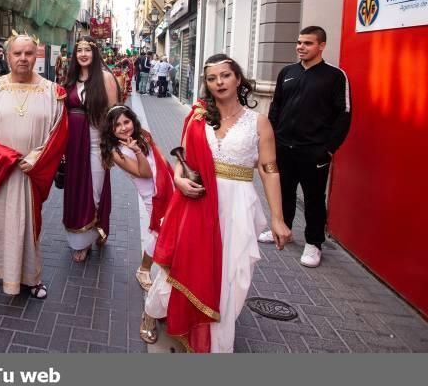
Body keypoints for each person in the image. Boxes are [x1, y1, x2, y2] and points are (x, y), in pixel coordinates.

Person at [144, 54, 291, 352]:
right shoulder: (198, 117)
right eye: (212, 79)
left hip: (237, 206)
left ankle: (214, 340)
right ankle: (152, 313)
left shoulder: (258, 123)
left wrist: (278, 217)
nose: (219, 82)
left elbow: (269, 169)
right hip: (197, 203)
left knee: (231, 274)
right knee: (183, 266)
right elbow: (182, 159)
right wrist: (180, 180)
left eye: (225, 75)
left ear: (238, 78)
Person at [0, 33, 68, 302]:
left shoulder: (51, 92)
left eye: (28, 53)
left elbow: (58, 134)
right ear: (8, 56)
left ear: (37, 56)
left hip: (31, 171)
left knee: (28, 223)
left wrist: (37, 157)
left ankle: (30, 275)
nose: (23, 58)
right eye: (17, 53)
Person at [258, 26, 351, 268]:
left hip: (314, 151)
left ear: (321, 45)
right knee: (283, 193)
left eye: (308, 43)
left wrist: (328, 148)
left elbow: (344, 115)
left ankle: (313, 243)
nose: (301, 47)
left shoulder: (334, 76)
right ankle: (283, 230)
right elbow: (276, 107)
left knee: (313, 199)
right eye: (299, 42)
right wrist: (271, 140)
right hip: (283, 147)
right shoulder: (287, 72)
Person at [100, 105, 173, 301]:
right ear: (111, 130)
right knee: (159, 235)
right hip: (152, 197)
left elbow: (162, 159)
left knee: (170, 232)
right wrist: (138, 152)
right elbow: (145, 173)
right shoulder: (117, 151)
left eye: (126, 122)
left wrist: (175, 178)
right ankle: (144, 269)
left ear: (133, 121)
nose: (124, 128)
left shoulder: (143, 136)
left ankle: (171, 268)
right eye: (117, 125)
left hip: (169, 187)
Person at [62, 37, 119, 263]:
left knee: (94, 189)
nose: (83, 53)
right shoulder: (70, 79)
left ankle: (95, 230)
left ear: (95, 53)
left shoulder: (105, 78)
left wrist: (112, 144)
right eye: (80, 50)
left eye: (88, 49)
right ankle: (81, 240)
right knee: (75, 189)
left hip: (96, 140)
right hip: (73, 143)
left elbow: (115, 112)